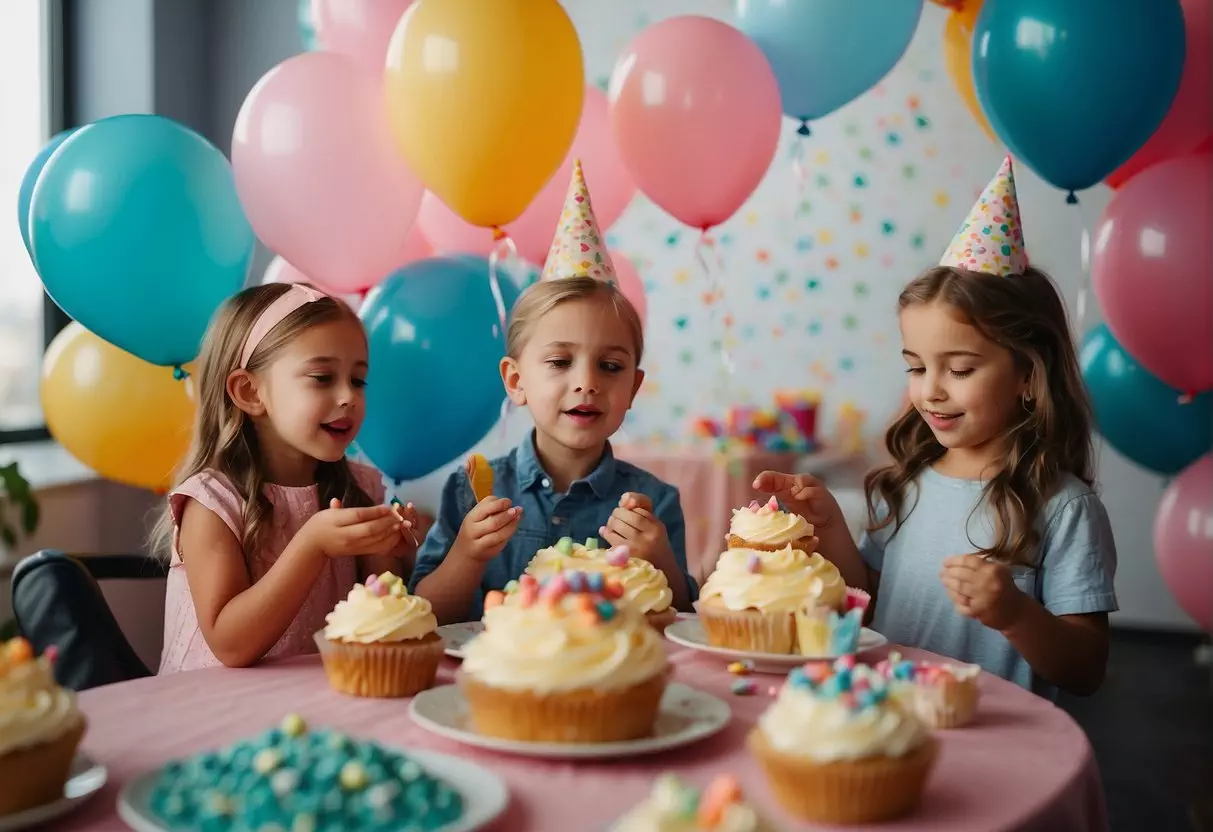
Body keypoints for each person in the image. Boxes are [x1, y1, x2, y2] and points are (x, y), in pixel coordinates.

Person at [757, 157, 1117, 697]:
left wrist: (1015, 613)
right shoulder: (903, 485)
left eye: (961, 369)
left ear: (1027, 372)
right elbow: (871, 605)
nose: (931, 390)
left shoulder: (1062, 508)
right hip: (892, 719)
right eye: (917, 367)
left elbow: (1085, 670)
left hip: (998, 742)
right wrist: (830, 526)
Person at [410, 161, 697, 623]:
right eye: (560, 362)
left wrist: (659, 558)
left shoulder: (654, 501)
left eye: (610, 366)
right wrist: (466, 554)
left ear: (633, 388)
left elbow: (683, 620)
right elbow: (424, 615)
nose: (587, 382)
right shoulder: (472, 491)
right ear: (516, 381)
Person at [151, 282, 420, 672]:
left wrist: (383, 548)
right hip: (214, 711)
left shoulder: (361, 487)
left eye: (358, 380)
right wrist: (312, 546)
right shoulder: (213, 502)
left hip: (313, 704)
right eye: (322, 377)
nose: (348, 396)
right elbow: (230, 645)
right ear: (250, 392)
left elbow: (379, 624)